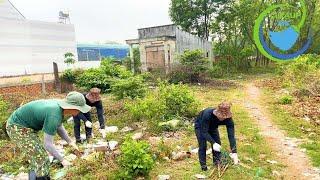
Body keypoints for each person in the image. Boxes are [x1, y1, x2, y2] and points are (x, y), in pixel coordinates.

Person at [6, 91, 91, 179]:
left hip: (25, 127)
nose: (80, 111)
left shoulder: (59, 107)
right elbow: (47, 144)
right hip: (16, 127)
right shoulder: (54, 114)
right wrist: (63, 160)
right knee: (42, 158)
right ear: (72, 106)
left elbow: (59, 126)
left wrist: (70, 142)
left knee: (35, 157)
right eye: (79, 108)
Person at [194, 102, 239, 171]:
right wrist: (213, 142)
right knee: (203, 145)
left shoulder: (228, 119)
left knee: (218, 144)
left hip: (213, 127)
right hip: (200, 126)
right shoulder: (207, 114)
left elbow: (231, 136)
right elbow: (204, 132)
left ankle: (217, 163)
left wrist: (234, 152)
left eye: (224, 117)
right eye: (220, 116)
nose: (221, 119)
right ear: (216, 113)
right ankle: (203, 167)